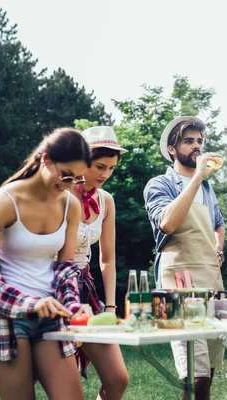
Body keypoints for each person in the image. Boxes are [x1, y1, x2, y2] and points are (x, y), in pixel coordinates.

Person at [0, 127, 94, 400]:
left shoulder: (70, 204)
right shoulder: (8, 199)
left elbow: (65, 268)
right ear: (45, 159)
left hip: (51, 317)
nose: (70, 186)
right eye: (65, 175)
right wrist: (29, 304)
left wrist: (72, 306)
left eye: (77, 179)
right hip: (6, 319)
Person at [143, 116, 225, 400]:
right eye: (188, 141)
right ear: (172, 149)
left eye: (199, 141)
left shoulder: (207, 188)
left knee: (211, 366)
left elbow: (218, 222)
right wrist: (198, 177)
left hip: (210, 278)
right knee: (195, 372)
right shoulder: (159, 184)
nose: (197, 147)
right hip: (175, 282)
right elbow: (167, 223)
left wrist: (219, 248)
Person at [70, 126, 129, 399]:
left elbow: (107, 259)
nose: (106, 174)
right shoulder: (60, 194)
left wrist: (110, 306)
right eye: (100, 166)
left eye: (112, 168)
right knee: (68, 385)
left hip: (86, 287)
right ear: (82, 162)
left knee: (117, 379)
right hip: (55, 290)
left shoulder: (107, 201)